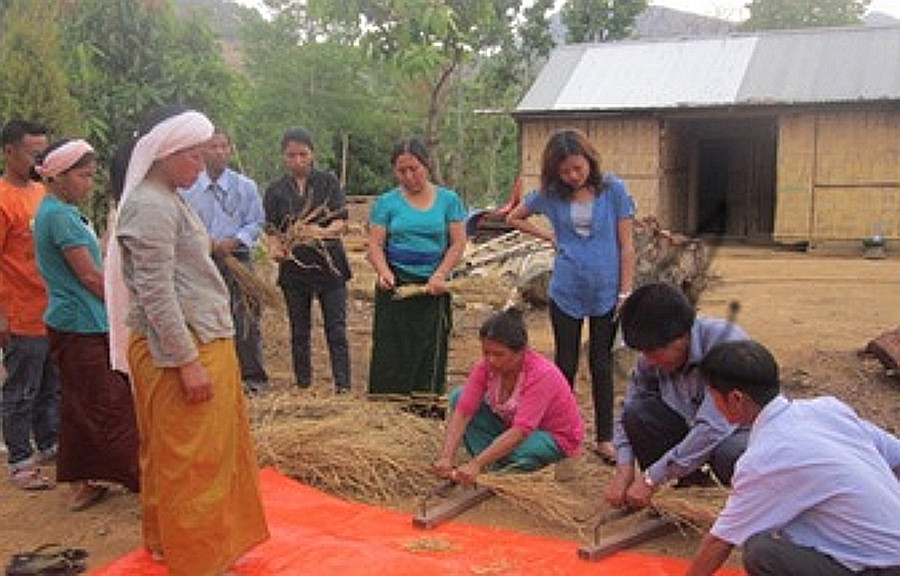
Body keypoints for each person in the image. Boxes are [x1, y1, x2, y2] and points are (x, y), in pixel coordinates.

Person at [107, 106, 268, 575]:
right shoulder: (151, 206)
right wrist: (187, 362)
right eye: (194, 157)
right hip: (182, 347)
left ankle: (173, 544)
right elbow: (156, 293)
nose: (200, 166)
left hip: (195, 337)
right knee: (191, 458)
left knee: (180, 451)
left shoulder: (165, 199)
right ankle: (197, 557)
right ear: (165, 154)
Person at [684, 339, 900, 576]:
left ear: (736, 398)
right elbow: (896, 455)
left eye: (713, 396)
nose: (713, 404)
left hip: (883, 568)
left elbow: (719, 543)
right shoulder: (827, 409)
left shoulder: (765, 457)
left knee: (762, 552)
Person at [507, 127, 634, 464]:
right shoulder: (550, 195)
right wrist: (548, 236)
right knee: (564, 363)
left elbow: (626, 245)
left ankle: (605, 438)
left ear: (589, 161)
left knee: (601, 363)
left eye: (578, 168)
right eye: (564, 171)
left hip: (607, 290)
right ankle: (562, 433)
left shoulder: (615, 191)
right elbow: (514, 216)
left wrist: (626, 290)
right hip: (566, 290)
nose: (573, 176)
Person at [33, 138, 139, 510]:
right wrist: (126, 307)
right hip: (81, 323)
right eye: (82, 176)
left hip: (73, 321)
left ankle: (83, 482)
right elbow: (90, 279)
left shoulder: (56, 210)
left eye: (92, 176)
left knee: (80, 405)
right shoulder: (59, 216)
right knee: (112, 405)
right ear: (58, 177)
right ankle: (141, 478)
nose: (88, 183)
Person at [604, 282, 749, 510]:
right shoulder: (651, 358)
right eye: (643, 352)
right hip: (695, 430)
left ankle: (751, 509)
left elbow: (713, 428)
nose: (648, 360)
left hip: (742, 434)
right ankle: (689, 489)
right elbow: (629, 407)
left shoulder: (727, 346)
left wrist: (652, 478)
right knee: (637, 414)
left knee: (729, 452)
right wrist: (624, 468)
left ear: (682, 337)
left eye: (653, 352)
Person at [366, 137, 467, 409]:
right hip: (397, 282)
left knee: (429, 347)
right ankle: (389, 407)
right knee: (392, 346)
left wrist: (441, 274)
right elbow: (375, 244)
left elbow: (457, 242)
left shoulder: (448, 200)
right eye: (402, 171)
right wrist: (384, 272)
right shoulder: (386, 203)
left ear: (427, 166)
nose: (409, 176)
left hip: (433, 282)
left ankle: (425, 406)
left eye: (415, 169)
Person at [434, 308, 584, 484]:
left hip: (552, 436)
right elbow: (463, 411)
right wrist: (446, 457)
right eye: (486, 353)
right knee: (458, 396)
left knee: (517, 451)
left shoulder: (541, 374)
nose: (490, 360)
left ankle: (500, 465)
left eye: (499, 354)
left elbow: (521, 431)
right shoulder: (486, 367)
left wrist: (476, 463)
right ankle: (496, 465)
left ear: (521, 352)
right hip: (512, 428)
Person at [181, 128, 269, 394]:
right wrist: (206, 243)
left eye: (224, 147)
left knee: (245, 317)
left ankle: (253, 378)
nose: (219, 152)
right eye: (213, 147)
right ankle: (215, 375)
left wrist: (236, 240)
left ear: (231, 149)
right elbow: (183, 222)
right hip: (201, 259)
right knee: (205, 317)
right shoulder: (188, 188)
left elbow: (256, 222)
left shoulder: (245, 186)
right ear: (202, 151)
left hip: (237, 258)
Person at [264, 128, 351, 393]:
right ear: (284, 157)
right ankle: (304, 385)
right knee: (299, 330)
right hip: (294, 268)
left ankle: (343, 386)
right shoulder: (275, 190)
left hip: (329, 265)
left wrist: (320, 233)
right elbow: (271, 229)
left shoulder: (328, 182)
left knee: (336, 329)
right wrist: (277, 248)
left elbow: (341, 221)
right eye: (291, 155)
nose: (298, 160)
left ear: (312, 154)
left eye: (303, 154)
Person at [0, 119, 59, 491]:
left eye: (44, 152)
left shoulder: (43, 193)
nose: (39, 159)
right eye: (32, 152)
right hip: (18, 310)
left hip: (50, 308)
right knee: (20, 389)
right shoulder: (3, 198)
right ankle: (20, 458)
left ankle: (49, 442)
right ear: (9, 151)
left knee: (50, 384)